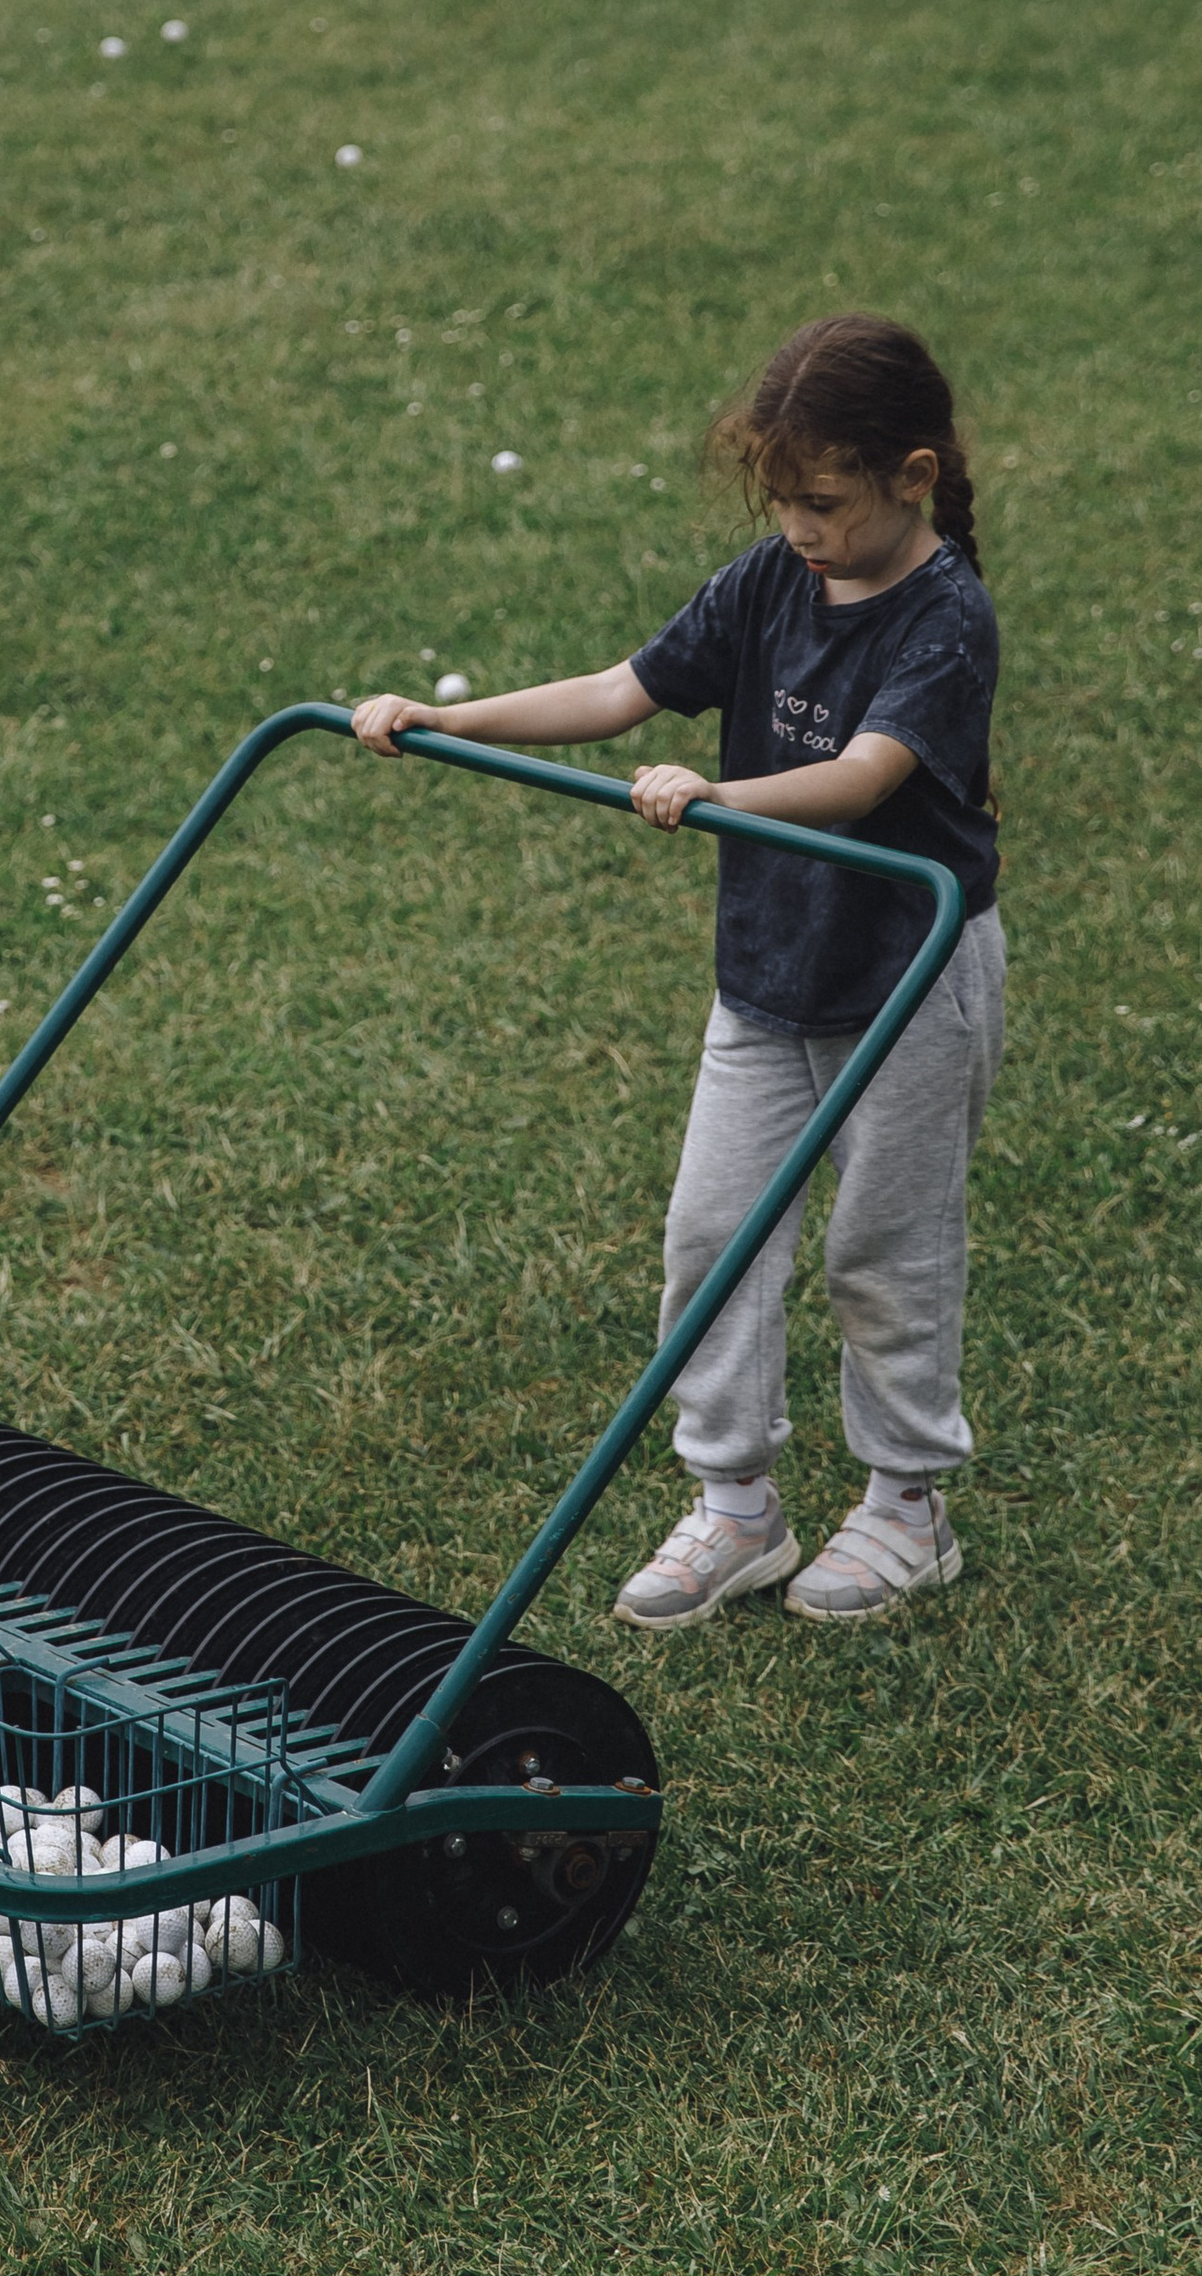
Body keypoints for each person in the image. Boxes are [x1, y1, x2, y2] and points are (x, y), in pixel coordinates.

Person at [352, 313, 1003, 1629]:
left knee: (885, 1250)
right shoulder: (768, 581)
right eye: (782, 503)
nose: (801, 530)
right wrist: (444, 716)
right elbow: (621, 689)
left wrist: (720, 789)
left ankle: (906, 1508)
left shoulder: (945, 618)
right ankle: (736, 1505)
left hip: (908, 977)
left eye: (824, 503)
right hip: (767, 973)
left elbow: (864, 777)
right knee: (712, 1235)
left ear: (913, 476)